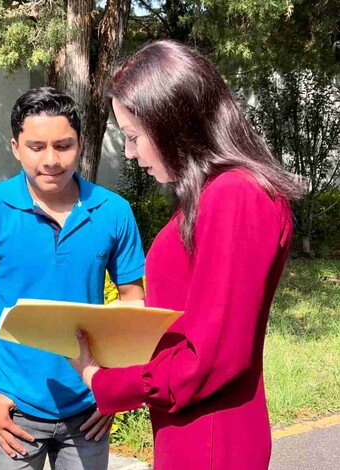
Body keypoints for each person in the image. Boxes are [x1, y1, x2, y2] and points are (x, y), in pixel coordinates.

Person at [69, 40, 305, 470]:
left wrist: (104, 381)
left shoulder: (235, 194)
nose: (130, 153)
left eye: (134, 136)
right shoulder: (215, 193)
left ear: (173, 123)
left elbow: (212, 357)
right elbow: (196, 315)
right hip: (196, 427)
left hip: (211, 436)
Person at [0, 87, 145, 470]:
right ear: (16, 147)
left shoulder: (112, 211)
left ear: (81, 144)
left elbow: (133, 301)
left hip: (88, 410)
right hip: (13, 410)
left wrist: (114, 390)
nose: (51, 160)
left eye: (63, 145)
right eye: (36, 147)